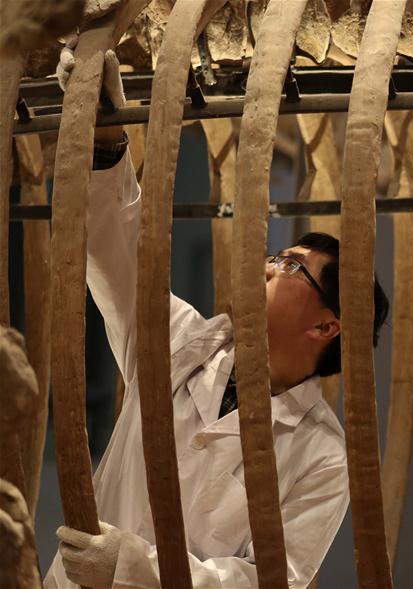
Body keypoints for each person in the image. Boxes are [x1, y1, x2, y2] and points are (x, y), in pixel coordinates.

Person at [45, 43, 390, 588]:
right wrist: (106, 138)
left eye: (290, 266)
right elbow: (115, 259)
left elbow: (271, 581)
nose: (266, 267)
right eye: (275, 256)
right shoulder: (179, 343)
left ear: (327, 325)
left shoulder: (322, 457)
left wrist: (134, 569)